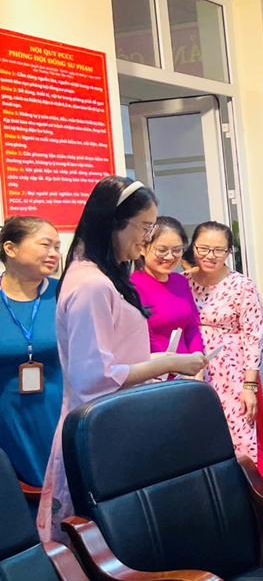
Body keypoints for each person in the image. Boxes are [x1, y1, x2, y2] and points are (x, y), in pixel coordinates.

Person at [38, 177, 205, 542]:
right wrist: (169, 363)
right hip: (101, 429)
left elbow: (116, 357)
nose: (147, 239)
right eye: (144, 227)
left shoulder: (102, 276)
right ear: (113, 222)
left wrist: (164, 359)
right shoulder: (91, 284)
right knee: (108, 540)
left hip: (116, 421)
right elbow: (95, 376)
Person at [185, 221, 263, 549]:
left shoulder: (241, 285)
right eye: (203, 248)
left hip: (233, 372)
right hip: (193, 372)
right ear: (193, 248)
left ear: (229, 252)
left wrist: (250, 384)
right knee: (203, 444)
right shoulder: (183, 282)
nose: (210, 255)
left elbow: (253, 336)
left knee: (247, 443)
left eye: (218, 250)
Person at [0, 216, 61, 489]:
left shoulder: (64, 292)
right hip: (7, 418)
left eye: (57, 247)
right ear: (10, 248)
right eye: (45, 245)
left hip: (56, 411)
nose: (54, 253)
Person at [131, 216, 206, 359]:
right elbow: (145, 336)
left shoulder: (181, 281)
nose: (170, 257)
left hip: (187, 366)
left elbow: (192, 328)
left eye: (176, 250)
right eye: (162, 250)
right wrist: (173, 364)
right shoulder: (133, 285)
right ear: (142, 248)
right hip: (157, 366)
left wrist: (197, 357)